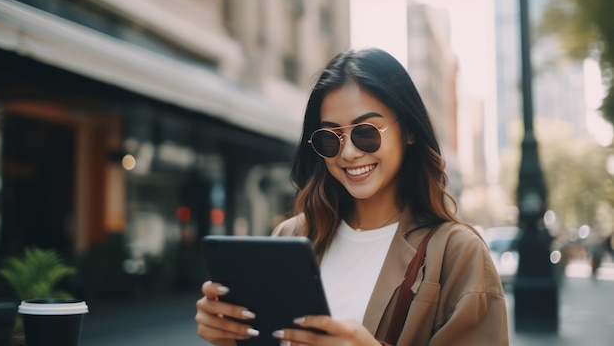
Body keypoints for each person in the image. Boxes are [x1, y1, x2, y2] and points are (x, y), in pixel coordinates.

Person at [195, 47, 509, 346]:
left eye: (366, 133)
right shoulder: (292, 237)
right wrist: (231, 334)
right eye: (330, 138)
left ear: (409, 131)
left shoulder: (458, 253)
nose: (347, 152)